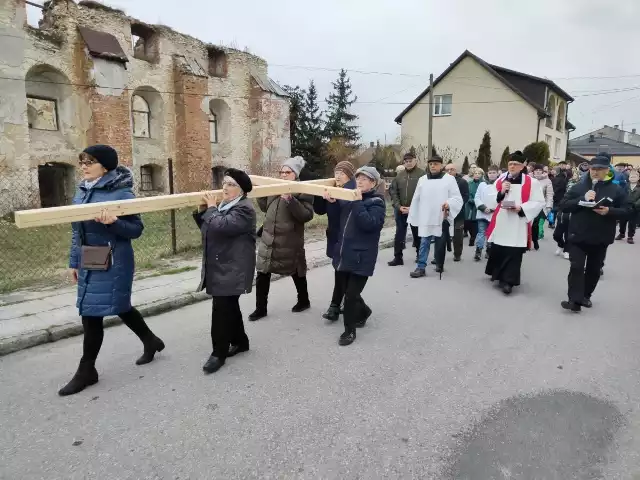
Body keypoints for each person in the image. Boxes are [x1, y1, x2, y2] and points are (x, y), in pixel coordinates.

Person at [59, 145, 164, 396]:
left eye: (90, 162)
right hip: (90, 257)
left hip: (114, 258)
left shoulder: (121, 194)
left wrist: (114, 222)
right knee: (116, 306)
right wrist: (74, 262)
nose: (83, 166)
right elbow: (78, 232)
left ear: (105, 166)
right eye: (82, 161)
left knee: (93, 312)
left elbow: (135, 231)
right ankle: (151, 341)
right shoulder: (83, 192)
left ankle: (87, 370)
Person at [195, 169, 256, 374]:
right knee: (229, 306)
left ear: (241, 190)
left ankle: (217, 353)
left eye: (231, 184)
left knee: (221, 310)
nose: (225, 187)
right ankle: (241, 342)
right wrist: (203, 210)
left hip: (234, 267)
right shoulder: (223, 206)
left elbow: (222, 226)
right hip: (222, 265)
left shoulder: (244, 209)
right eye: (224, 183)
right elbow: (209, 228)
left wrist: (211, 209)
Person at [558, 155, 629, 312]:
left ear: (607, 170)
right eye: (593, 169)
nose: (595, 172)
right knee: (576, 267)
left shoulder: (616, 189)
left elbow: (628, 210)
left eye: (599, 169)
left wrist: (609, 211)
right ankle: (574, 301)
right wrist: (581, 199)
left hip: (600, 237)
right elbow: (563, 205)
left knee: (594, 269)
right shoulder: (578, 187)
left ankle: (585, 296)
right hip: (578, 235)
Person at [324, 166, 385, 346]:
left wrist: (357, 202)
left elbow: (369, 224)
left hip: (362, 257)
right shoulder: (348, 197)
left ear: (373, 183)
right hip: (344, 253)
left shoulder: (377, 202)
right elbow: (336, 220)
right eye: (358, 178)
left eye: (364, 179)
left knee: (350, 295)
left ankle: (349, 331)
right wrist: (333, 203)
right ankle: (364, 311)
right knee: (348, 291)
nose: (359, 181)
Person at [250, 156, 314, 321]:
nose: (283, 175)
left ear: (295, 174)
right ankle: (260, 308)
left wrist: (290, 200)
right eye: (282, 172)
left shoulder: (303, 190)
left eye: (288, 172)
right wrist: (260, 193)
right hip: (269, 238)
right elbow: (266, 207)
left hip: (290, 240)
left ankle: (304, 300)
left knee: (296, 270)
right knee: (263, 272)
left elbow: (306, 215)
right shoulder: (275, 186)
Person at [484, 151, 545, 294]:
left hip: (518, 221)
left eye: (515, 164)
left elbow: (538, 201)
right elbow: (491, 197)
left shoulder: (532, 182)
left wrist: (521, 208)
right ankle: (497, 275)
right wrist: (501, 193)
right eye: (510, 164)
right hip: (502, 219)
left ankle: (509, 281)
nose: (512, 166)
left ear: (522, 165)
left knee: (513, 251)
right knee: (499, 248)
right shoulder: (501, 180)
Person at [313, 160, 356, 321]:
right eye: (336, 172)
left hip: (347, 238)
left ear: (349, 175)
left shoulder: (353, 190)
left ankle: (337, 305)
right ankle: (343, 303)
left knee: (342, 272)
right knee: (340, 271)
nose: (337, 176)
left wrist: (335, 201)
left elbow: (350, 211)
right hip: (334, 236)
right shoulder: (333, 189)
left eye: (342, 173)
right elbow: (319, 211)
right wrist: (319, 195)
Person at [408, 155, 463, 277]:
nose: (433, 166)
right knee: (424, 242)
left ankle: (439, 263)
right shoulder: (422, 179)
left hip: (441, 215)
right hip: (426, 216)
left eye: (436, 164)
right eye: (431, 164)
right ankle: (420, 267)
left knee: (440, 242)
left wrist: (449, 203)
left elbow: (457, 197)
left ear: (441, 165)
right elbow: (416, 198)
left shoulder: (449, 179)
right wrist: (413, 214)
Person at [388, 152, 425, 266]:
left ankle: (420, 256)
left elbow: (425, 193)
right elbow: (394, 192)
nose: (408, 163)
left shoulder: (422, 175)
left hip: (415, 210)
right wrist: (399, 206)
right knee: (399, 233)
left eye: (410, 161)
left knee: (417, 234)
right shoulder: (399, 176)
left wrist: (413, 207)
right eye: (406, 161)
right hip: (401, 210)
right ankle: (398, 257)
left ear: (415, 161)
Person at [443, 163, 469, 261]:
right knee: (442, 235)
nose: (449, 172)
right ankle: (440, 255)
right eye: (447, 170)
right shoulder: (442, 181)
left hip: (458, 213)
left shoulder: (462, 182)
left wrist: (454, 205)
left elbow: (465, 197)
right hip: (444, 212)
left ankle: (457, 254)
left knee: (457, 235)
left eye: (452, 169)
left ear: (456, 170)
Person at [474, 165, 499, 261]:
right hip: (482, 213)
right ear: (487, 174)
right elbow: (477, 197)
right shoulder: (482, 184)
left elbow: (500, 198)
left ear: (497, 173)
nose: (492, 175)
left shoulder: (499, 185)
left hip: (494, 214)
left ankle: (489, 250)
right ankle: (478, 251)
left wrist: (493, 209)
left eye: (494, 173)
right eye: (490, 173)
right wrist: (483, 207)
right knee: (481, 233)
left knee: (491, 233)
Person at [531, 164, 554, 250]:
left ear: (542, 171)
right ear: (533, 172)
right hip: (530, 205)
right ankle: (527, 242)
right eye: (536, 170)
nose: (537, 172)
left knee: (535, 224)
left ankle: (535, 240)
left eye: (539, 170)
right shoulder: (530, 180)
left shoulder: (547, 181)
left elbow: (549, 195)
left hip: (541, 206)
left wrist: (549, 206)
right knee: (528, 224)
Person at [616, 169, 639, 244]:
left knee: (632, 223)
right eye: (631, 177)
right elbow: (622, 195)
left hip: (634, 207)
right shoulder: (625, 186)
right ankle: (621, 233)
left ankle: (630, 236)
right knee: (622, 221)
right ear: (629, 178)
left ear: (638, 178)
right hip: (625, 207)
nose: (633, 178)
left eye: (635, 177)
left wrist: (636, 204)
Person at [465, 167, 484, 251]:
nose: (477, 175)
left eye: (479, 173)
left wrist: (479, 203)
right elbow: (467, 194)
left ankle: (473, 237)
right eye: (475, 173)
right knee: (468, 223)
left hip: (479, 206)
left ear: (481, 175)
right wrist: (472, 200)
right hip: (470, 205)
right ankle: (471, 235)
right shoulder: (469, 183)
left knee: (476, 223)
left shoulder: (484, 184)